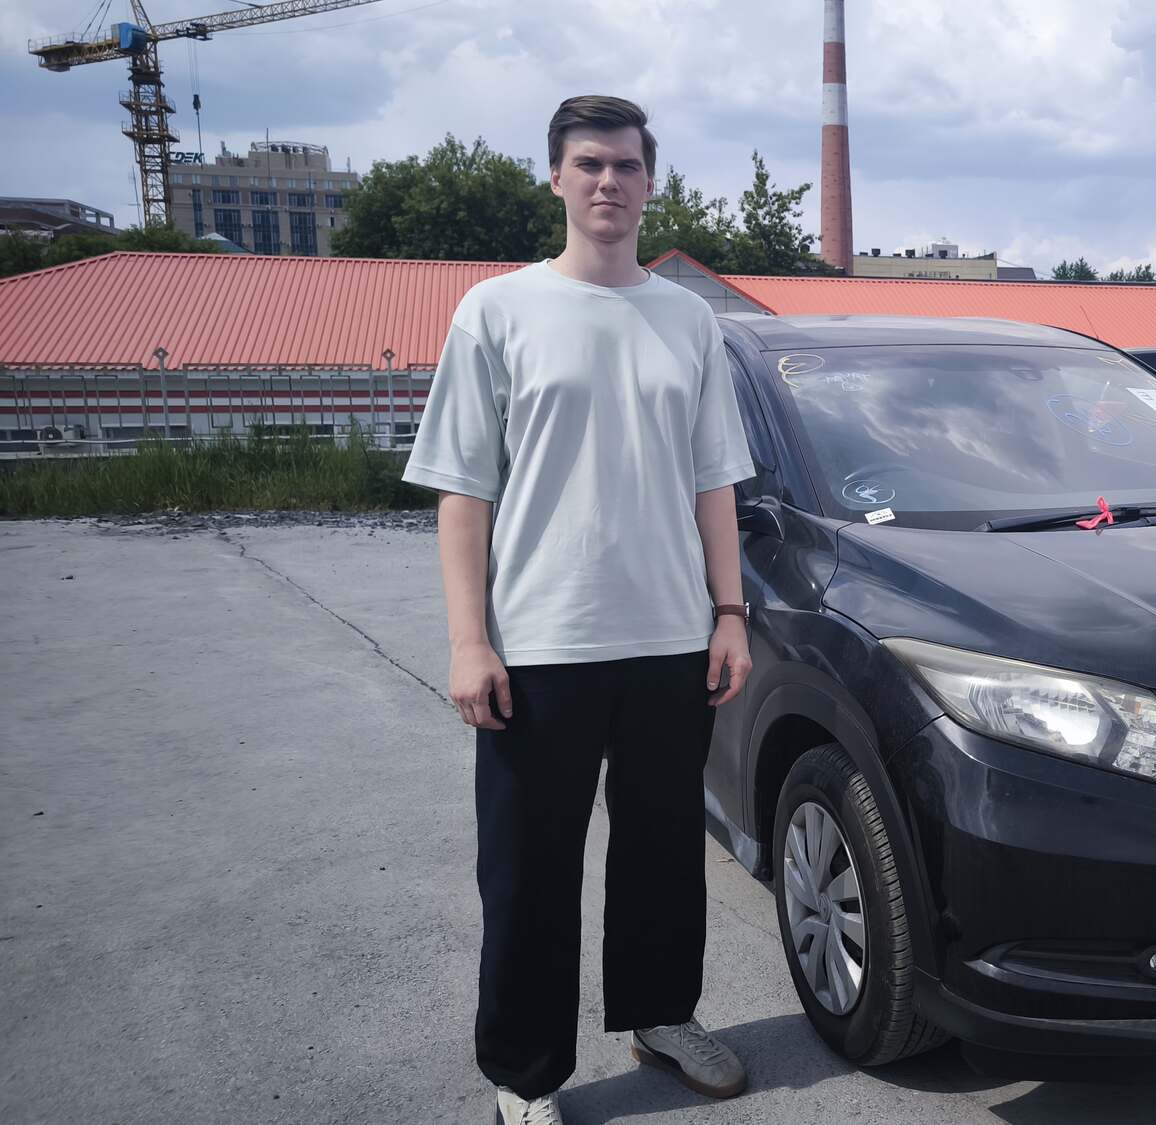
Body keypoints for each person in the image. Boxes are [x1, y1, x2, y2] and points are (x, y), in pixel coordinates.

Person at [402, 94, 756, 1125]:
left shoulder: (688, 320)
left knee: (663, 854)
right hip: (539, 643)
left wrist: (729, 613)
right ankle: (524, 1075)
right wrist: (469, 641)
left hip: (670, 639)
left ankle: (661, 1015)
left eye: (627, 165)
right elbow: (463, 492)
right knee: (528, 872)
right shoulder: (497, 310)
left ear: (650, 183)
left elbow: (714, 481)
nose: (609, 181)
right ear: (555, 177)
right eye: (589, 163)